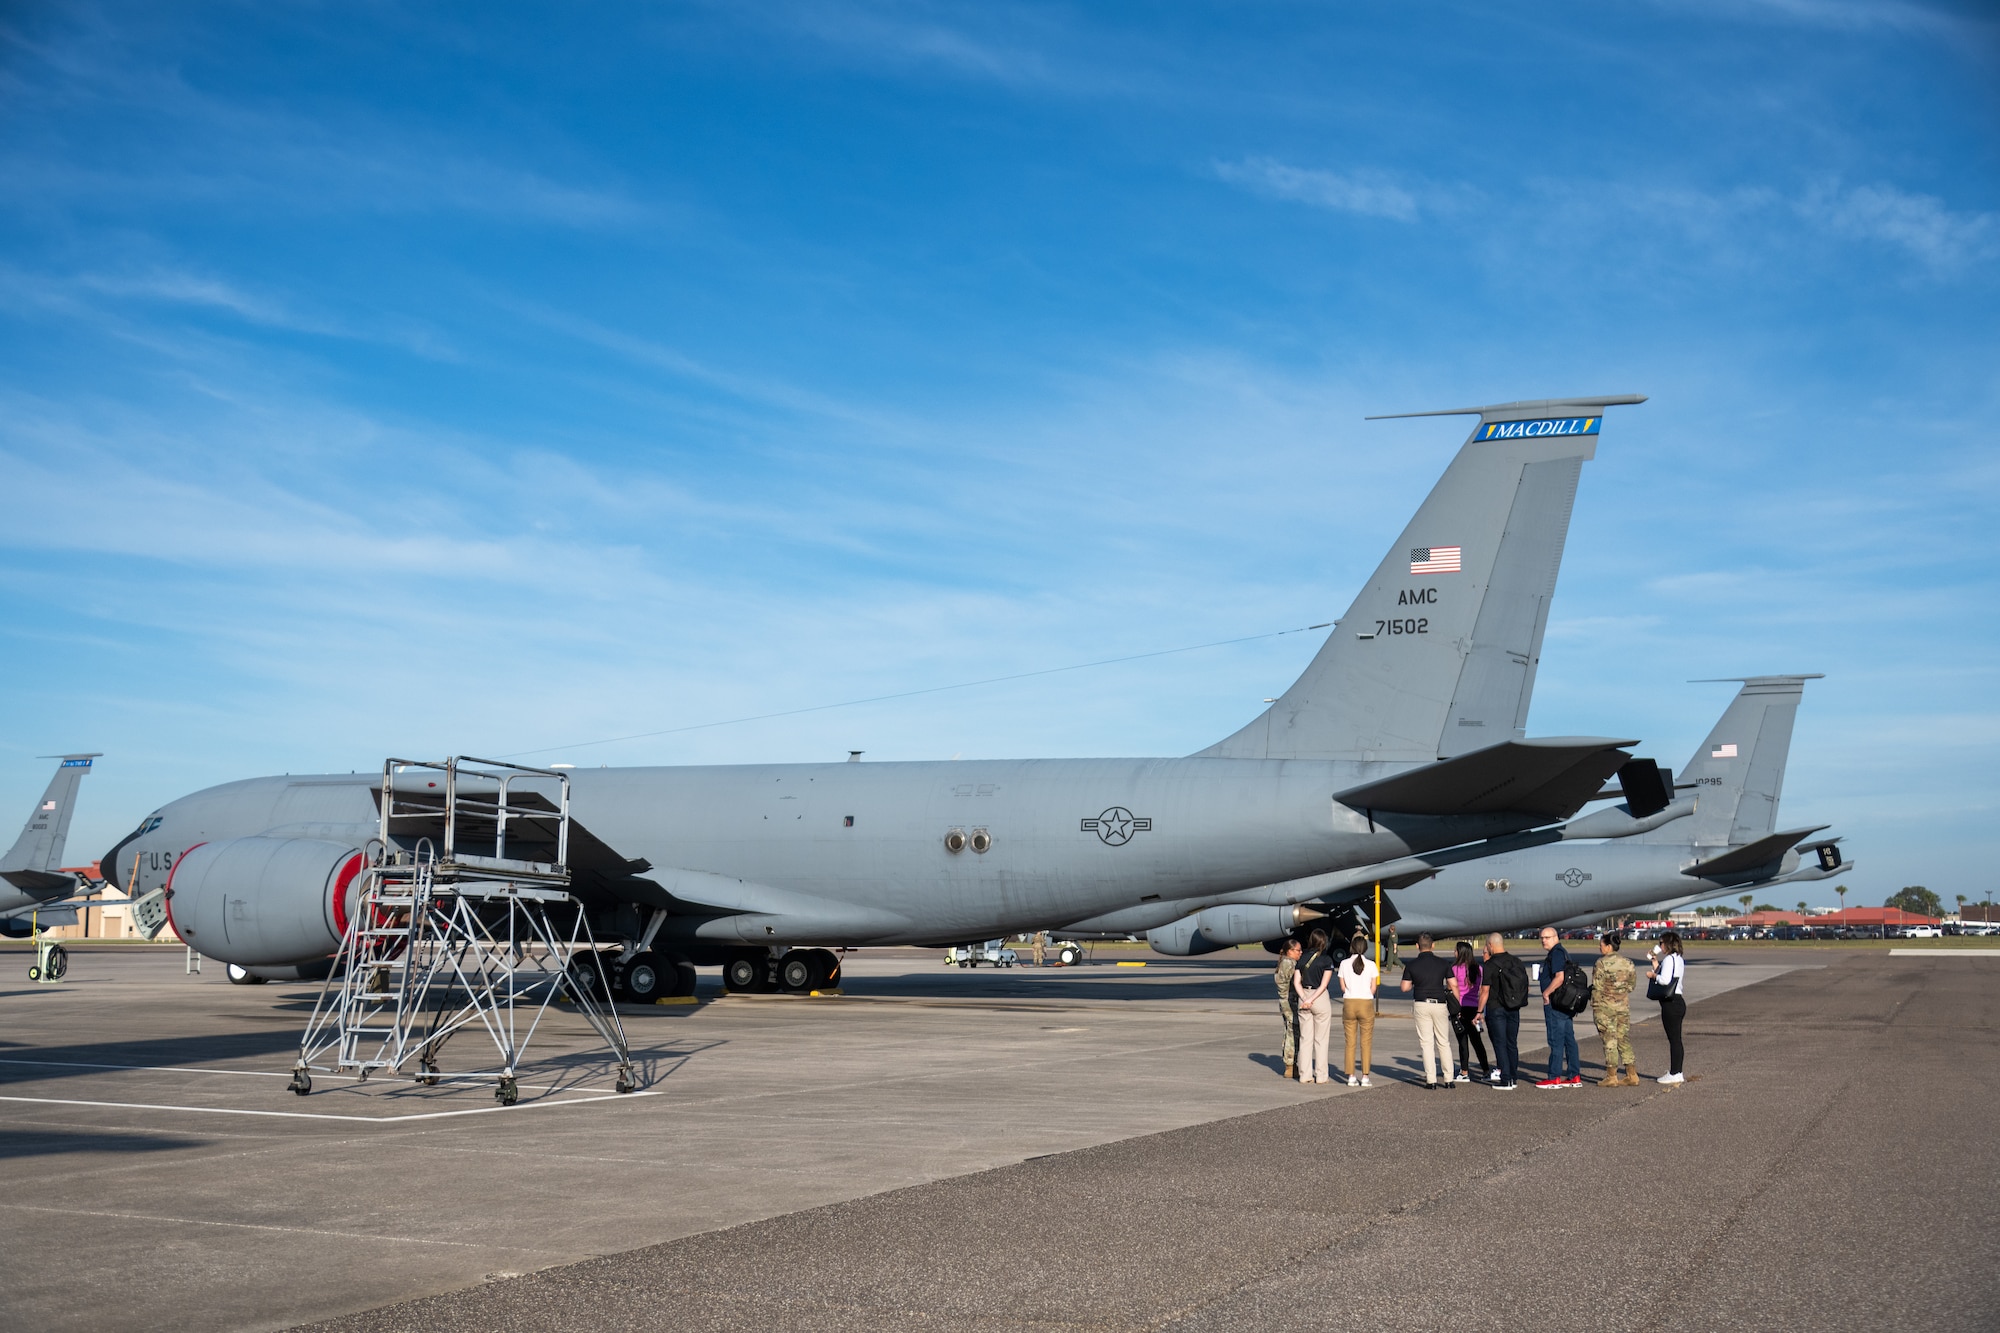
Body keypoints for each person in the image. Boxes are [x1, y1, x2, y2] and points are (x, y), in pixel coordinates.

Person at [1399, 932, 1456, 1089]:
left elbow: (1404, 987)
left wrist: (1413, 983)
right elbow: (1453, 984)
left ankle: (1431, 1080)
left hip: (1421, 1003)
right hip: (1439, 1003)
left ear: (1417, 946)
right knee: (1443, 1042)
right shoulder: (1443, 964)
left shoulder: (1411, 965)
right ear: (1433, 945)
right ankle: (1449, 1079)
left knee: (1426, 1043)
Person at [1535, 926, 1583, 1089]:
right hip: (1565, 1003)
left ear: (1555, 937)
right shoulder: (1562, 952)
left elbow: (1559, 977)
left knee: (1556, 1039)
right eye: (1541, 938)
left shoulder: (1556, 953)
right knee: (1569, 1039)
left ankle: (1554, 1077)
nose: (1543, 941)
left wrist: (1546, 993)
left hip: (1556, 1002)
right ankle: (1574, 1075)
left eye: (1547, 937)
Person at [1478, 933, 1528, 1090]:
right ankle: (1513, 1077)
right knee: (1511, 1043)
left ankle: (1505, 1079)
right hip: (1514, 1007)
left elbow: (1484, 991)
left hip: (1496, 1008)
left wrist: (1479, 1011)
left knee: (1500, 1044)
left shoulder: (1490, 965)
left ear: (1491, 946)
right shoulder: (1516, 961)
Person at [1592, 931, 1639, 1087]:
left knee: (1609, 1040)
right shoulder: (1628, 963)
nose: (1600, 948)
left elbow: (1597, 987)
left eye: (1602, 945)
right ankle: (1631, 1074)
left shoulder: (1602, 963)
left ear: (1609, 946)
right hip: (1623, 1007)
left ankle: (1611, 1076)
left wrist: (1595, 1005)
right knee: (1623, 1039)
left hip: (1606, 1007)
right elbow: (1631, 986)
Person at [1293, 928, 1336, 1085]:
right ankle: (1321, 1075)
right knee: (1321, 1040)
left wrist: (1304, 998)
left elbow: (1296, 981)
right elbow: (1324, 985)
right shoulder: (1326, 960)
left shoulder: (1302, 959)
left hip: (1303, 996)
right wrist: (1312, 999)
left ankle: (1304, 1075)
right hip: (1319, 999)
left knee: (1305, 1039)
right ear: (1324, 942)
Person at [1647, 930, 1688, 1084]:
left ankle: (1675, 1072)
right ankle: (1677, 1071)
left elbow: (1664, 980)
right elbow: (1668, 974)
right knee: (1676, 1039)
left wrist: (1652, 976)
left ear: (1668, 944)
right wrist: (1655, 964)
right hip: (1678, 1002)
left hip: (1671, 1004)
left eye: (1661, 943)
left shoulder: (1670, 959)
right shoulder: (1678, 959)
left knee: (1674, 1040)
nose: (1660, 946)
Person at [1339, 933, 1379, 1087]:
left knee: (1350, 1042)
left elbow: (1343, 987)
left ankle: (1350, 1076)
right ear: (1365, 948)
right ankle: (1365, 1076)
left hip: (1349, 1002)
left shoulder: (1343, 964)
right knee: (1366, 1042)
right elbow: (1373, 988)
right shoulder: (1371, 965)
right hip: (1365, 1003)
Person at [1449, 940, 1491, 1083]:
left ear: (1460, 952)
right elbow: (1481, 989)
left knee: (1462, 1041)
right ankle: (1486, 1070)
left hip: (1460, 1007)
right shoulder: (1478, 968)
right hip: (1474, 1007)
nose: (1454, 952)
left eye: (1455, 950)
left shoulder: (1455, 969)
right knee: (1477, 1042)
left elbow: (1451, 988)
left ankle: (1464, 1071)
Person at [1274, 937, 1302, 1079]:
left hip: (1285, 1001)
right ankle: (1291, 1064)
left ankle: (1290, 1065)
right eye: (1298, 950)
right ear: (1290, 951)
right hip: (1291, 1001)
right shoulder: (1289, 964)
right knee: (1293, 1032)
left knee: (1289, 1030)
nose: (1300, 953)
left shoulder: (1283, 962)